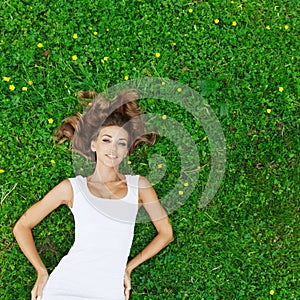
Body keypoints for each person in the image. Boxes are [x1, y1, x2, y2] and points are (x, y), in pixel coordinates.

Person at [13, 88, 174, 300]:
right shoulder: (72, 188)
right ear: (93, 144)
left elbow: (166, 233)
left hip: (108, 292)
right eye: (106, 140)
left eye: (121, 143)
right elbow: (22, 226)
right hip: (63, 289)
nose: (113, 149)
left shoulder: (139, 187)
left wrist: (128, 268)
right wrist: (41, 272)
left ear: (126, 151)